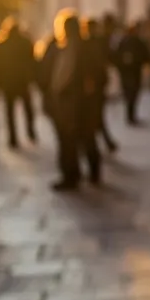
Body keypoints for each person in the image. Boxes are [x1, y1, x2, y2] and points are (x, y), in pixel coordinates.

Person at [42, 10, 103, 191]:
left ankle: (91, 171)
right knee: (67, 140)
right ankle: (71, 174)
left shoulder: (86, 49)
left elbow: (98, 76)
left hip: (81, 103)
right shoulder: (57, 49)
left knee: (85, 138)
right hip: (64, 103)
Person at [0, 17, 39, 148]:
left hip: (8, 83)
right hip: (22, 81)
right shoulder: (25, 43)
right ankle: (31, 132)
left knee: (10, 113)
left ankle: (12, 138)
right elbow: (32, 62)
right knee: (28, 109)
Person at [83, 18, 117, 153]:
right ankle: (106, 142)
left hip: (94, 84)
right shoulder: (97, 42)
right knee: (97, 115)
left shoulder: (88, 44)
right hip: (96, 84)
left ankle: (104, 142)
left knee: (96, 115)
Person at [115, 21, 150, 125]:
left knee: (131, 93)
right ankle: (131, 115)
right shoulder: (129, 42)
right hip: (131, 71)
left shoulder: (129, 42)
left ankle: (131, 114)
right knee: (132, 93)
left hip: (131, 71)